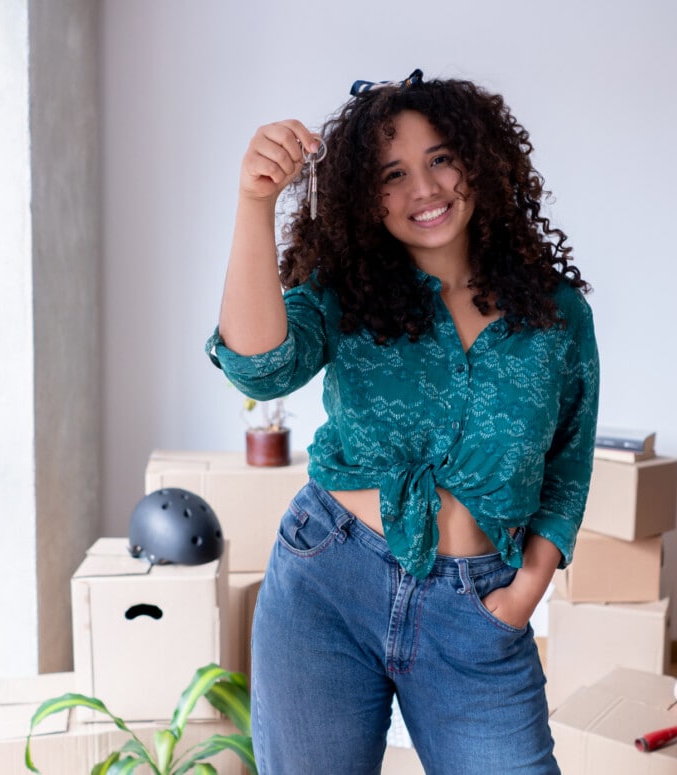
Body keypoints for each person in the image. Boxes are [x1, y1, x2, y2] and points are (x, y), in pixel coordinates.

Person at [206, 68, 599, 774]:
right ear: (364, 195)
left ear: (479, 162)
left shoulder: (556, 312)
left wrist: (523, 595)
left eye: (441, 158)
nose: (425, 188)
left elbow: (568, 464)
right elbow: (260, 366)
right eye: (393, 172)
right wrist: (254, 202)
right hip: (327, 580)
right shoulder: (344, 293)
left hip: (478, 609)